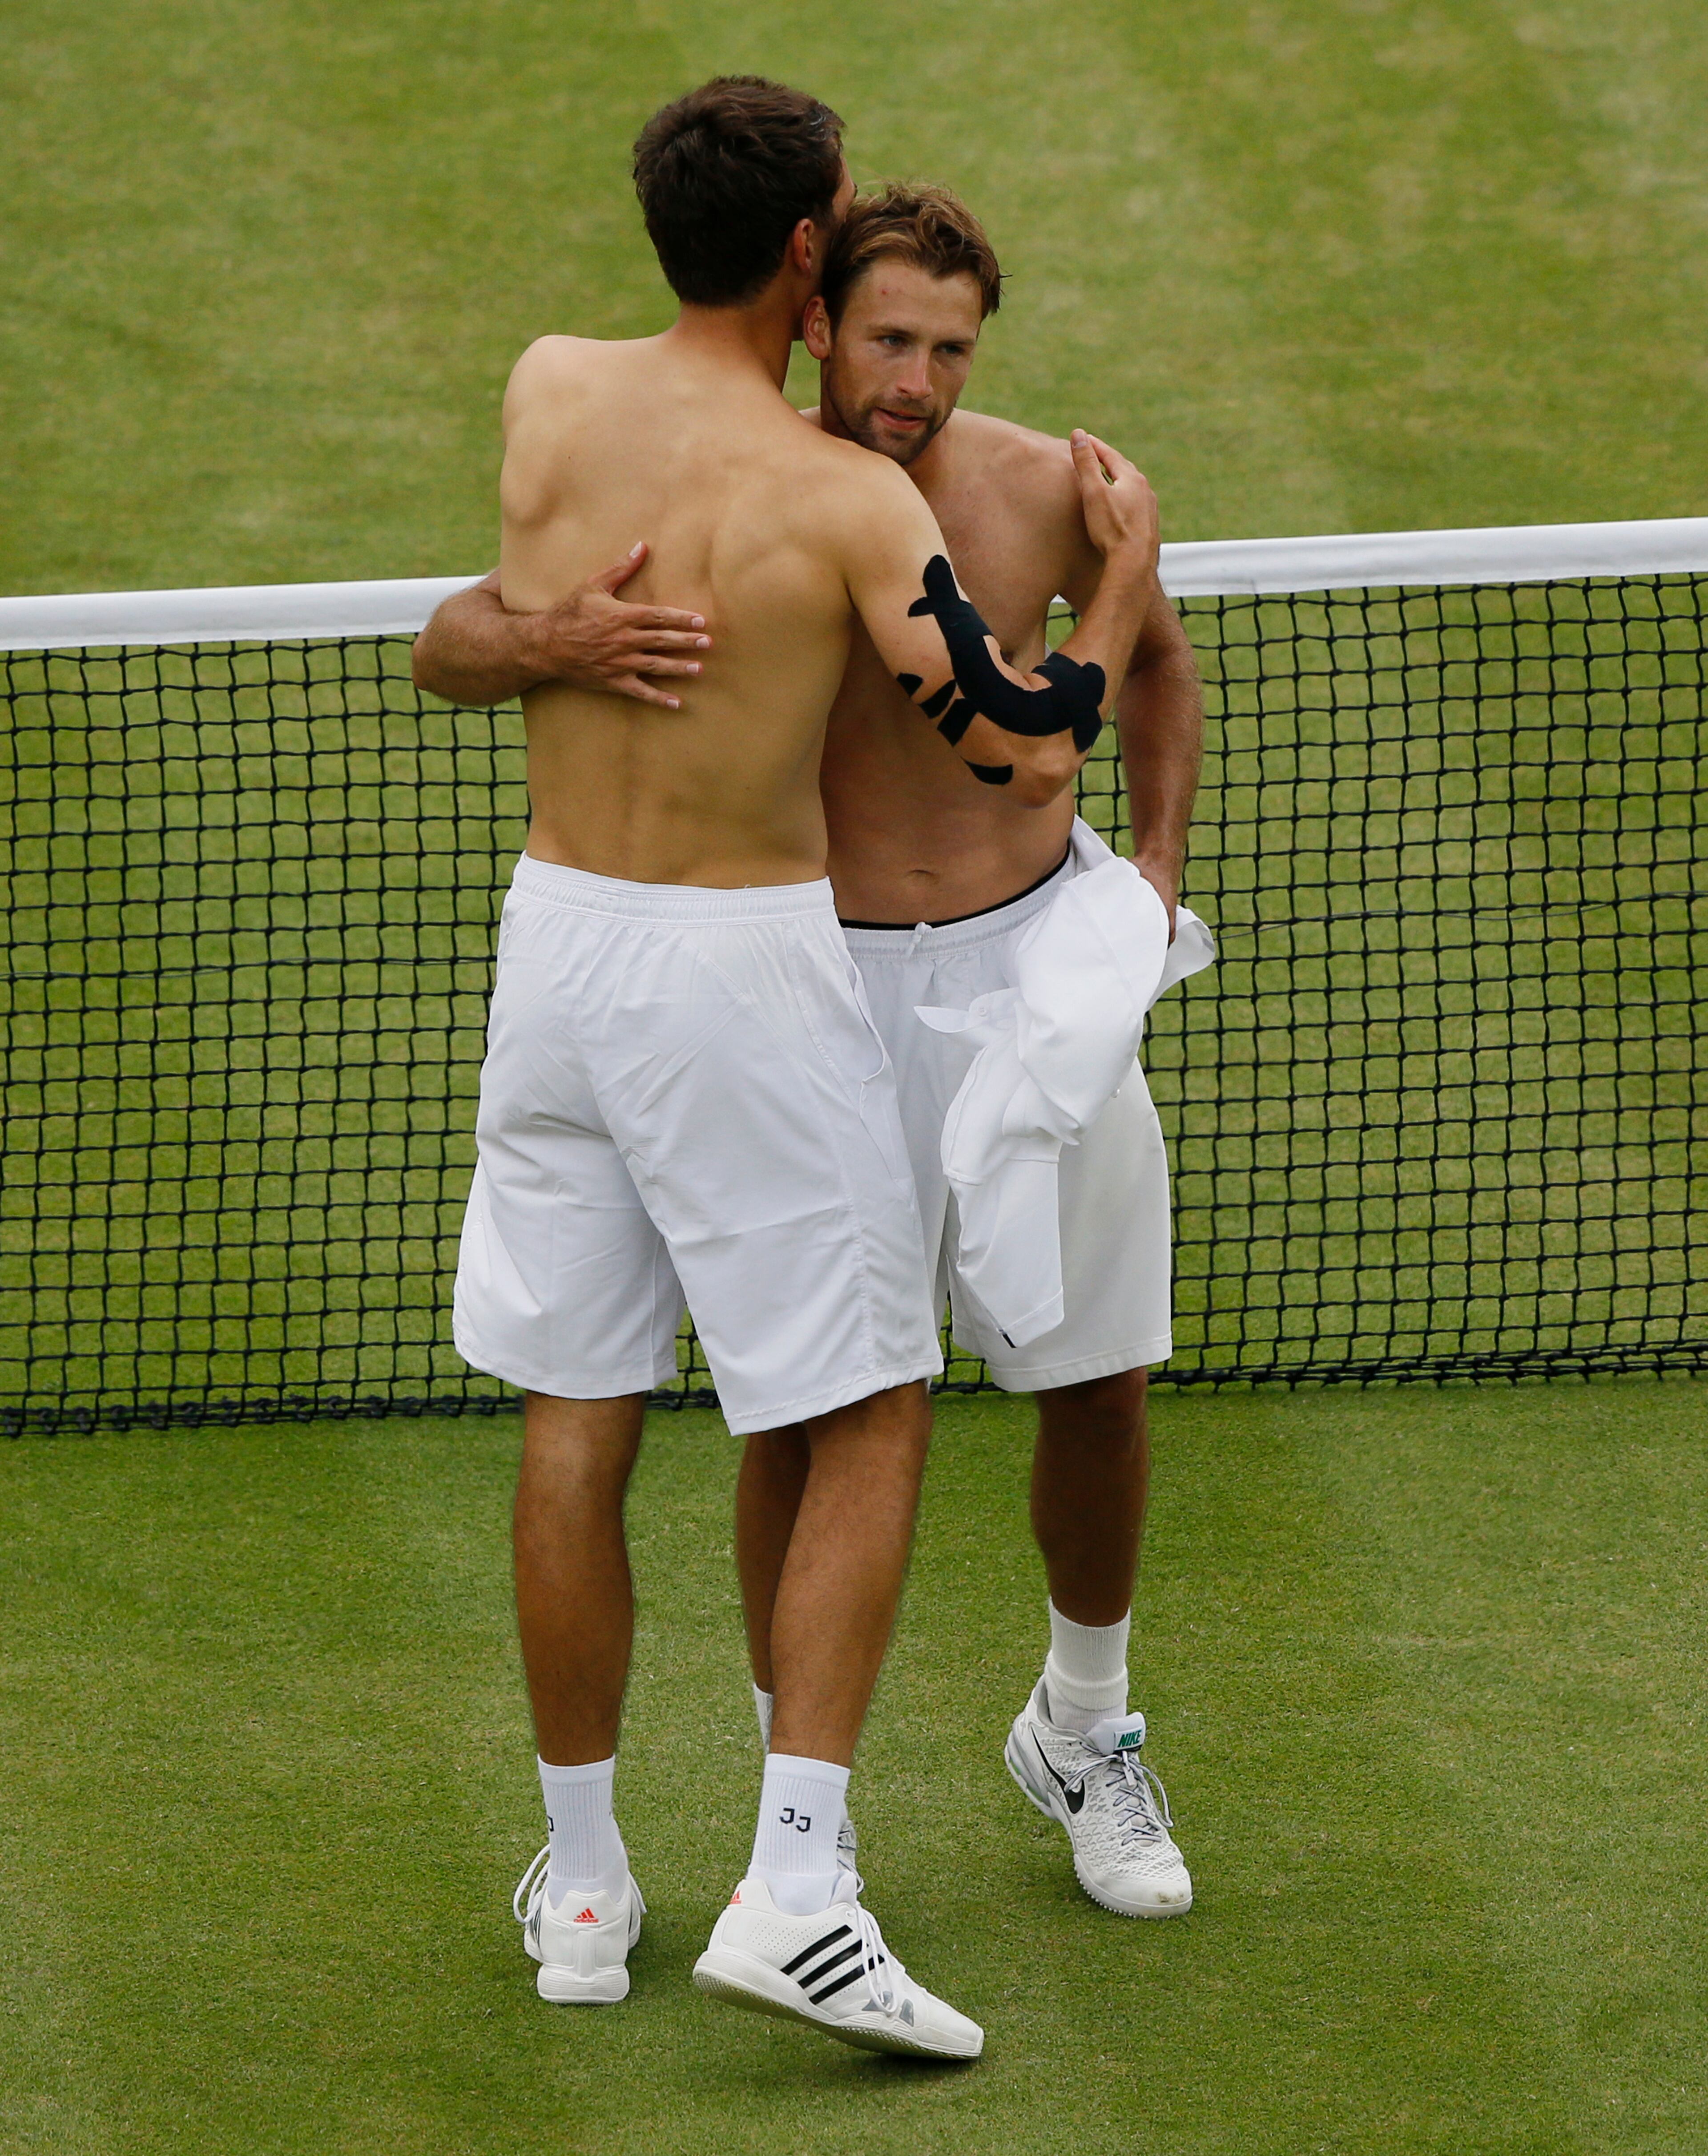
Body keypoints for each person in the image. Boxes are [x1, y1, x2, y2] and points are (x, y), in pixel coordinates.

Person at [421, 83, 1161, 2057]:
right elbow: (1017, 736)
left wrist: (552, 631)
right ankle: (805, 1886)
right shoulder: (850, 504)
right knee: (872, 1403)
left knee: (576, 1419)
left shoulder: (551, 387)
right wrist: (1126, 586)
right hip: (734, 976)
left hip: (551, 951)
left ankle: (585, 1883)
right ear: (813, 255)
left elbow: (456, 637)